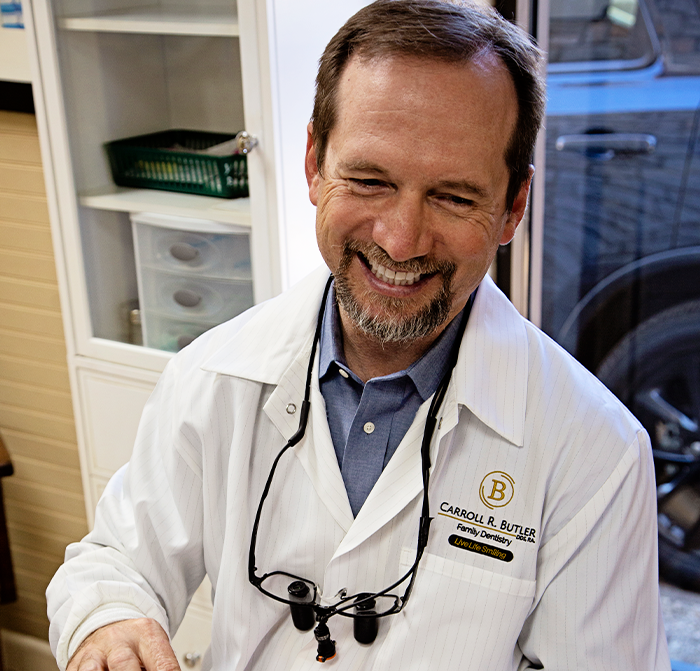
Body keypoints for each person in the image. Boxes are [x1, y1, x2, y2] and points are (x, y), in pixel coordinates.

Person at [47, 1, 671, 669]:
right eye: (370, 180)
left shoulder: (594, 451)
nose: (400, 239)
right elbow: (115, 560)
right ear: (314, 162)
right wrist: (108, 624)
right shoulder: (215, 375)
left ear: (512, 206)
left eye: (454, 197)